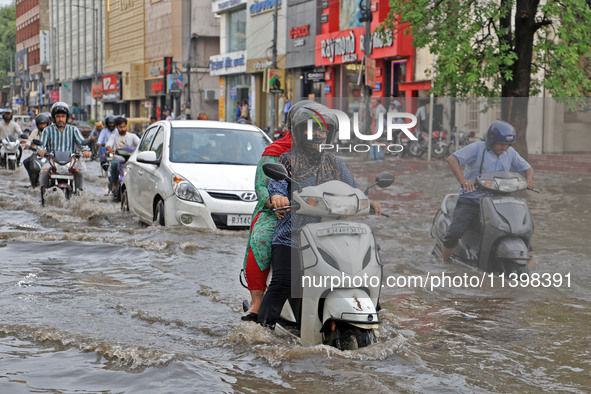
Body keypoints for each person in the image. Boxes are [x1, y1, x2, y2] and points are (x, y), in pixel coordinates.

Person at [256, 105, 382, 329]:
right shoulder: (287, 160)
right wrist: (278, 197)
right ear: (299, 133)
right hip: (293, 236)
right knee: (283, 282)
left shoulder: (335, 163)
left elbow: (352, 189)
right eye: (311, 130)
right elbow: (276, 185)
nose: (316, 136)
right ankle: (261, 330)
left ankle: (372, 312)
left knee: (366, 271)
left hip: (331, 236)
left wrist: (367, 201)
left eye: (322, 131)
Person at [241, 100, 316, 321]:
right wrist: (274, 200)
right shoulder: (275, 152)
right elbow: (262, 185)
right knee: (263, 237)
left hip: (315, 210)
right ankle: (257, 303)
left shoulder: (324, 154)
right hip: (278, 211)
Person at [441, 120, 535, 262]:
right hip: (472, 200)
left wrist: (529, 180)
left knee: (521, 231)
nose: (504, 147)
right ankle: (445, 263)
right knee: (454, 233)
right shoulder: (477, 148)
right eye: (501, 144)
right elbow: (452, 159)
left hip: (500, 202)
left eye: (507, 144)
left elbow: (528, 168)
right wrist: (463, 180)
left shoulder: (510, 152)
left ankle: (530, 265)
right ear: (491, 141)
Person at [38, 102, 91, 190]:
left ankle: (79, 193)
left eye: (63, 116)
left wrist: (85, 150)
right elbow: (41, 144)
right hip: (52, 161)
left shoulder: (73, 129)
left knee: (80, 172)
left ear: (67, 117)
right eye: (58, 116)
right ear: (54, 118)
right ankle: (44, 194)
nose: (60, 119)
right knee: (44, 171)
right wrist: (41, 150)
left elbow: (82, 142)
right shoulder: (47, 130)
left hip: (70, 162)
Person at [105, 117, 140, 193]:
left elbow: (140, 144)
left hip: (131, 159)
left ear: (126, 126)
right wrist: (109, 149)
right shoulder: (113, 136)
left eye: (124, 126)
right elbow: (108, 145)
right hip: (118, 158)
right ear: (117, 127)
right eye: (121, 127)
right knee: (114, 165)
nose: (123, 129)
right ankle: (114, 183)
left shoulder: (132, 136)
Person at [23, 113, 50, 187]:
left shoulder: (51, 131)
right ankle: (33, 182)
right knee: (26, 162)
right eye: (40, 124)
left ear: (47, 124)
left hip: (49, 154)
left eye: (44, 124)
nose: (42, 126)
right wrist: (28, 145)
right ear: (37, 125)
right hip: (37, 154)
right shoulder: (35, 131)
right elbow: (29, 139)